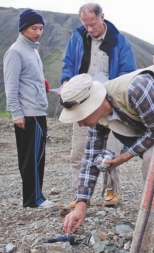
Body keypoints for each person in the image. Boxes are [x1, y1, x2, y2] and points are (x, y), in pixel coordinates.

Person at [59, 65, 154, 239]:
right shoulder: (97, 117)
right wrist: (81, 204)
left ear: (93, 105)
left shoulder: (136, 89)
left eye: (80, 117)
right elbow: (90, 159)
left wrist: (124, 157)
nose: (80, 124)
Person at [59, 2, 137, 212]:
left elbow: (129, 72)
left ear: (102, 17)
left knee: (111, 148)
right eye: (85, 25)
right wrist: (66, 80)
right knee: (80, 149)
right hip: (82, 103)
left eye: (92, 23)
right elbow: (68, 63)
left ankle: (110, 191)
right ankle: (80, 194)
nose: (89, 28)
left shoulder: (120, 41)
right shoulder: (77, 38)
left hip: (107, 104)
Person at [3, 9, 55, 209]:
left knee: (38, 156)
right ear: (23, 28)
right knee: (30, 157)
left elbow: (28, 77)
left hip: (38, 110)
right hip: (28, 113)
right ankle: (33, 199)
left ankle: (36, 196)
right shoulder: (15, 51)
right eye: (34, 28)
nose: (38, 32)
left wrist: (41, 82)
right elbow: (11, 85)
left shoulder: (32, 50)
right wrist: (16, 113)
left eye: (41, 28)